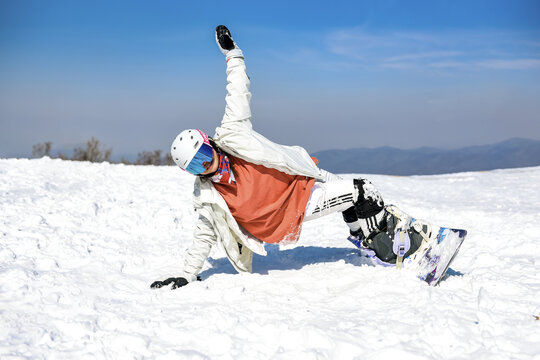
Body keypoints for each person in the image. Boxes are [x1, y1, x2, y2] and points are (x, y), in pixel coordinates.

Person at [151, 26, 435, 289]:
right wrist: (187, 273)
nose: (205, 165)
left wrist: (233, 56)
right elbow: (204, 234)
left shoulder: (232, 134)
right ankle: (393, 250)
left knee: (351, 196)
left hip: (299, 187)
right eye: (195, 166)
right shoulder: (207, 194)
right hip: (287, 215)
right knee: (362, 190)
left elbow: (237, 92)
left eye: (203, 154)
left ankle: (368, 240)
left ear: (208, 142)